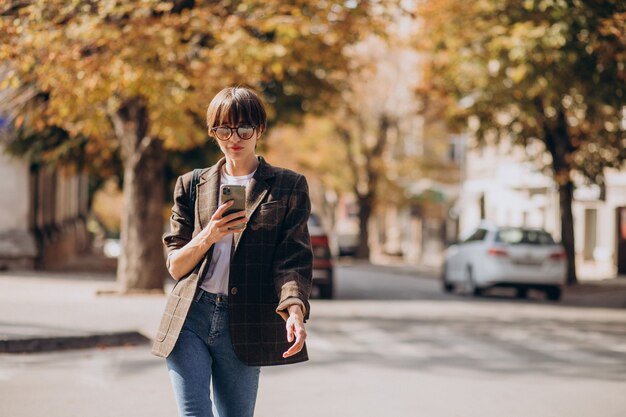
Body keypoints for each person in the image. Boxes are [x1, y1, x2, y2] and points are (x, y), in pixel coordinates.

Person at [151, 86, 313, 417]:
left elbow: (291, 259)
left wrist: (294, 310)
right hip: (190, 318)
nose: (233, 137)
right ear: (213, 131)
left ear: (259, 130)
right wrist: (209, 234)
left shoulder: (287, 186)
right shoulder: (192, 185)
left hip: (245, 322)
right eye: (223, 129)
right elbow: (176, 266)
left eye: (243, 128)